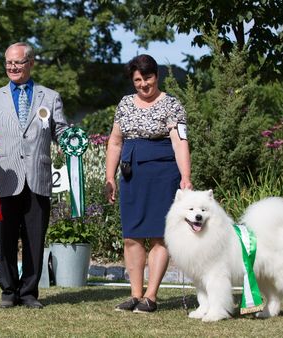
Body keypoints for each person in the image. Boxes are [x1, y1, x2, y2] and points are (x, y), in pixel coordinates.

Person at [0, 42, 69, 309]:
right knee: (5, 235)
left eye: (18, 62)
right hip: (5, 177)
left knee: (35, 237)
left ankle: (29, 292)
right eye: (8, 63)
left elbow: (61, 131)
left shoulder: (50, 97)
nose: (12, 67)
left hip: (38, 176)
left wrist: (73, 141)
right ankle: (8, 289)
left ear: (31, 63)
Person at [104, 54, 192, 313]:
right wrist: (110, 177)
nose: (143, 84)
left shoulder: (172, 105)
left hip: (164, 174)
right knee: (131, 235)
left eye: (148, 78)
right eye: (137, 80)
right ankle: (134, 294)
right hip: (132, 174)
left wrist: (185, 177)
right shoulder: (124, 104)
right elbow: (115, 141)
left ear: (157, 76)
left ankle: (150, 296)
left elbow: (180, 142)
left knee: (159, 236)